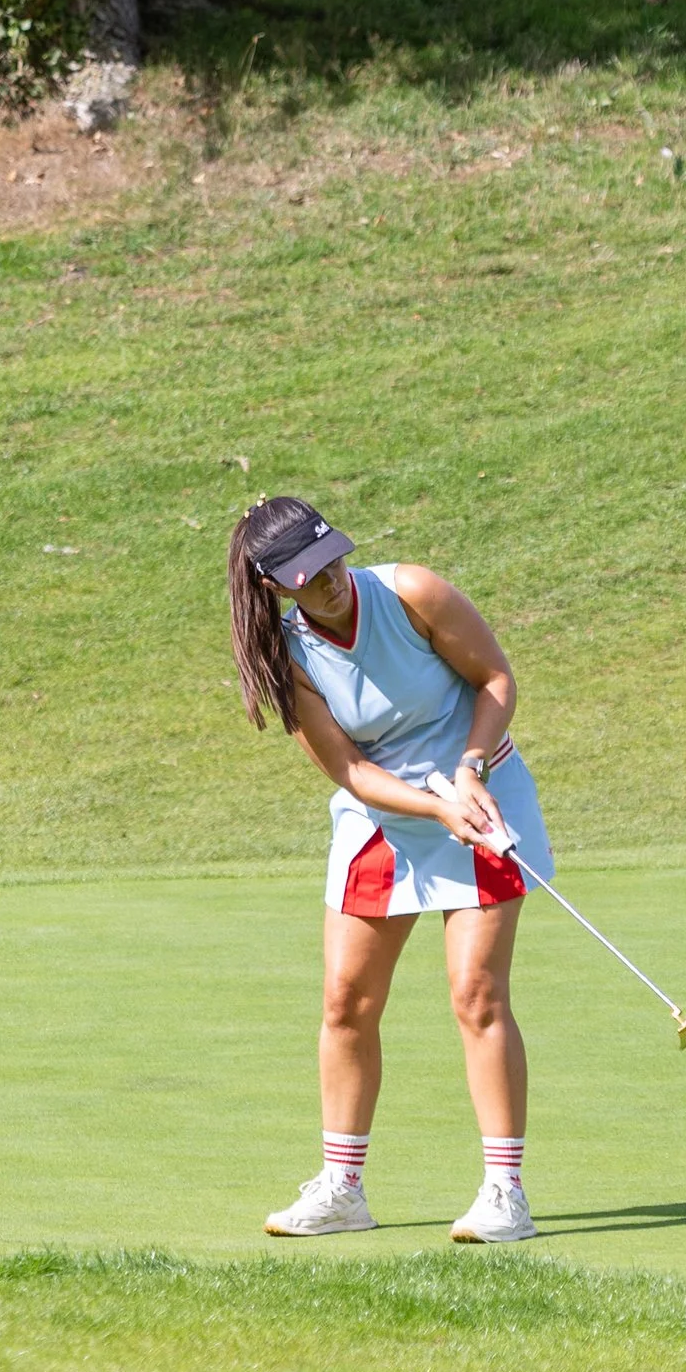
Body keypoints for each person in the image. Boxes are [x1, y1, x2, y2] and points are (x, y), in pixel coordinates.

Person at [228, 492, 551, 1244]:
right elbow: (348, 770)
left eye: (332, 557)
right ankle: (343, 1189)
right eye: (307, 573)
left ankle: (505, 1193)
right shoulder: (286, 653)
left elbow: (496, 680)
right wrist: (429, 807)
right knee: (346, 1001)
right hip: (387, 820)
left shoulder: (411, 592)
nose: (330, 577)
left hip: (484, 798)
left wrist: (468, 770)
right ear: (275, 584)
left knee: (476, 993)